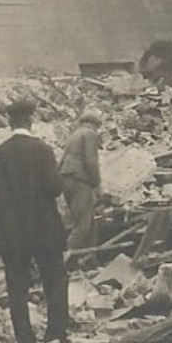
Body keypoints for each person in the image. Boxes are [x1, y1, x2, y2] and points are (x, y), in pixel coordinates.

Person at [0, 99, 70, 343]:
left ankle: (25, 342)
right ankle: (55, 336)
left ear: (9, 122)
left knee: (17, 285)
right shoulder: (43, 151)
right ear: (30, 120)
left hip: (11, 231)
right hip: (43, 228)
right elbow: (54, 187)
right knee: (55, 281)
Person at [59, 106, 103, 252]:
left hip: (67, 179)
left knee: (89, 222)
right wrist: (96, 183)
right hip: (80, 180)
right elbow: (90, 160)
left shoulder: (74, 135)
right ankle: (62, 259)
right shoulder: (90, 134)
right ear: (95, 124)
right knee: (82, 225)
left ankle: (88, 259)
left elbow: (62, 160)